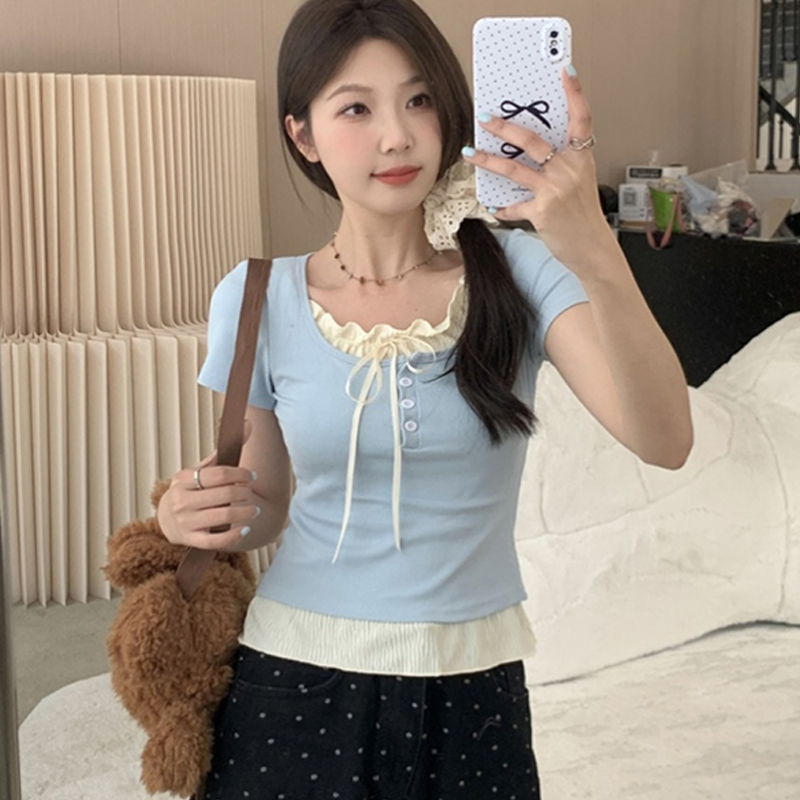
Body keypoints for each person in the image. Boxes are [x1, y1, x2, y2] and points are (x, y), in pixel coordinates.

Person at [157, 0, 694, 797]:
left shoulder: (519, 275)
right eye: (356, 109)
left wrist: (592, 247)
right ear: (303, 135)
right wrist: (192, 513)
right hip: (292, 681)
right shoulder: (256, 295)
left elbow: (666, 440)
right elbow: (264, 508)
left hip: (475, 692)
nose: (397, 136)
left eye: (418, 100)